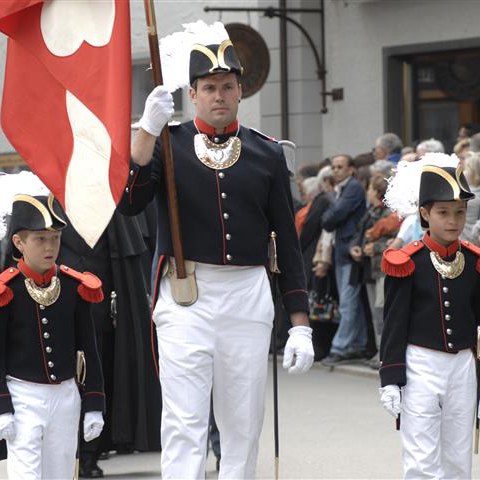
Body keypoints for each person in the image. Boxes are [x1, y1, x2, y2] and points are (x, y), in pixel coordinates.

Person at [118, 32, 314, 479]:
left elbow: (287, 239)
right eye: (208, 87)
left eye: (228, 86)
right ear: (192, 94)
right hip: (187, 293)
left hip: (247, 293)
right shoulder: (168, 144)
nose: (219, 96)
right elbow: (130, 202)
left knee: (243, 422)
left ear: (241, 90)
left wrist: (299, 322)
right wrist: (146, 132)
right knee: (185, 420)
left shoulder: (266, 151)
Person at [379, 155, 480, 479]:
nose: (453, 220)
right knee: (421, 459)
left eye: (459, 212)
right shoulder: (406, 261)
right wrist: (391, 378)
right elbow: (394, 325)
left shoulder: (475, 261)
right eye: (443, 212)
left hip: (463, 366)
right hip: (421, 364)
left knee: (458, 458)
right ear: (424, 213)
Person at [0, 194, 105, 479]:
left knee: (60, 472)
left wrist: (95, 402)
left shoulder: (73, 285)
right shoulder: (8, 289)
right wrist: (2, 405)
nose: (50, 247)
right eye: (40, 239)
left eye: (55, 238)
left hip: (65, 394)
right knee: (26, 474)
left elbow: (88, 346)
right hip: (24, 394)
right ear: (19, 243)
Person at [57, 209, 162, 478]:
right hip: (58, 307)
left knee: (96, 380)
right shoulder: (51, 206)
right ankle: (71, 454)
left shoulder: (106, 210)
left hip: (98, 308)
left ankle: (90, 454)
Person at [320, 154, 368, 365]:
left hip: (350, 251)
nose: (336, 170)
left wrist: (330, 201)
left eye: (340, 167)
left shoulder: (353, 188)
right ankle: (357, 344)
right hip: (343, 251)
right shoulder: (343, 189)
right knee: (350, 302)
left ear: (351, 169)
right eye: (334, 167)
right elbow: (331, 219)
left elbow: (332, 217)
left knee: (348, 302)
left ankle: (340, 347)